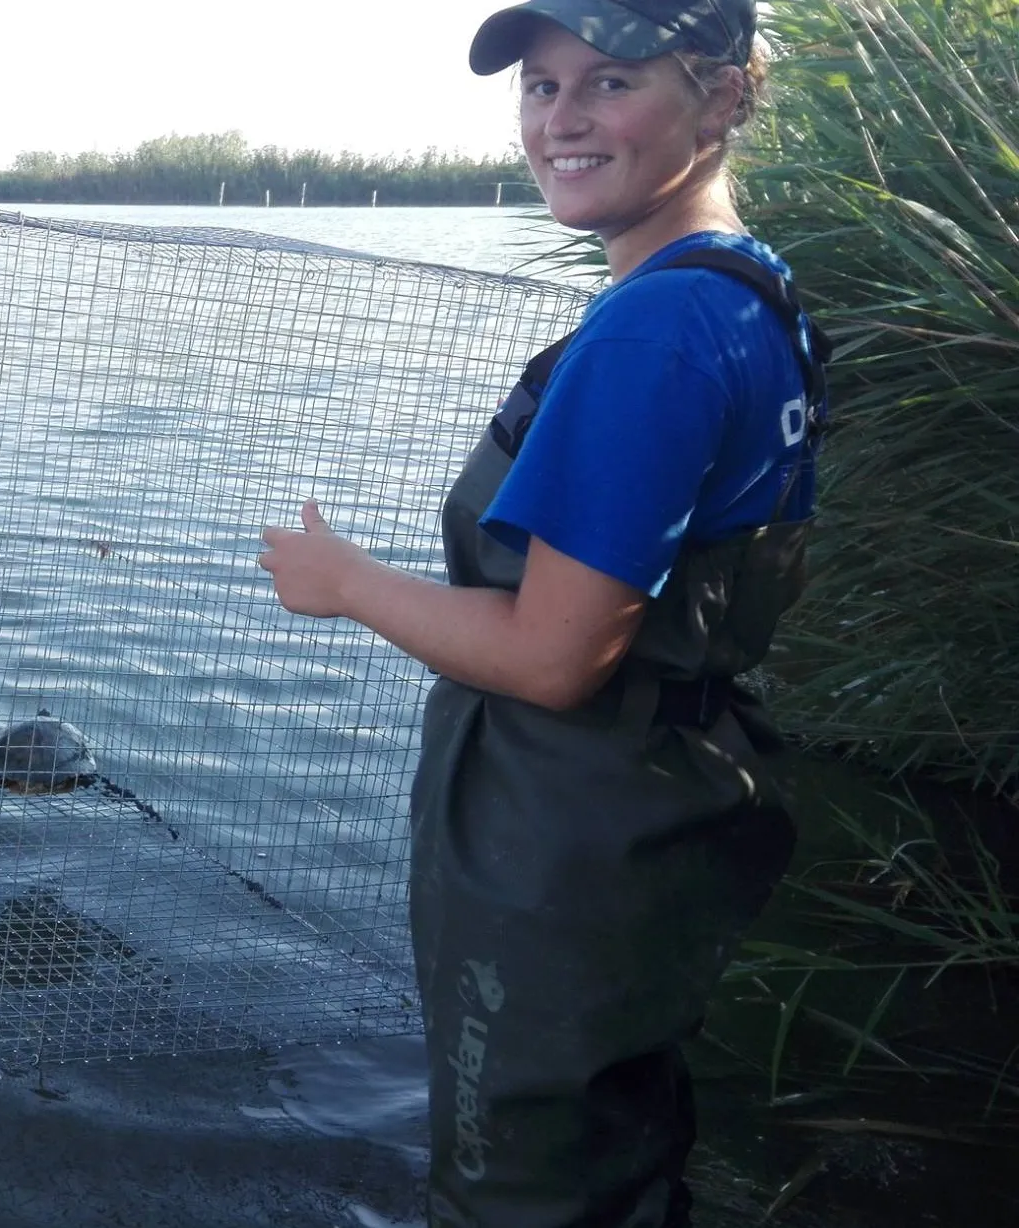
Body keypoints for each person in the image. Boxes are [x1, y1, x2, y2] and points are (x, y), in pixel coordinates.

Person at [258, 2, 830, 1223]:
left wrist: (343, 581)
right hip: (658, 803)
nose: (559, 120)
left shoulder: (657, 329)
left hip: (569, 832)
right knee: (615, 1154)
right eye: (538, 86)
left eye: (610, 82)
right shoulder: (747, 290)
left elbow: (559, 654)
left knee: (518, 1185)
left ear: (722, 97)